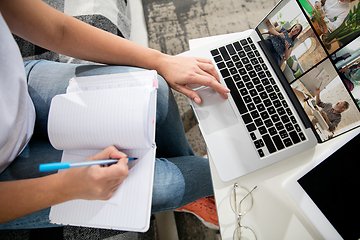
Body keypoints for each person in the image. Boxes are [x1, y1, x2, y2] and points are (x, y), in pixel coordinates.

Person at [0, 0, 231, 230]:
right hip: (7, 179)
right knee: (170, 185)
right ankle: (193, 189)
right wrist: (66, 186)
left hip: (24, 93)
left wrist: (161, 61)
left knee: (155, 89)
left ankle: (191, 186)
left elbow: (57, 29)